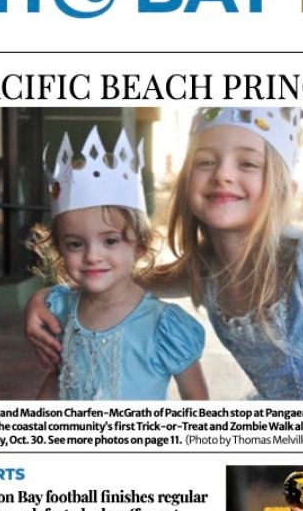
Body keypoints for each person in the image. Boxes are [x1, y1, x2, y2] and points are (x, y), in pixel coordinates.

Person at [27, 108, 303, 400]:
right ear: (185, 185)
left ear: (284, 190)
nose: (223, 174)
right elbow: (118, 279)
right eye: (206, 162)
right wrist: (46, 297)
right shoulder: (205, 269)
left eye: (248, 163)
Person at [27, 127, 208, 401]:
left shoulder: (163, 325)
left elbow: (196, 399)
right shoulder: (61, 310)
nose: (92, 256)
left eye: (110, 241)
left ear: (140, 247)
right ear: (59, 249)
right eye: (75, 244)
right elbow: (59, 378)